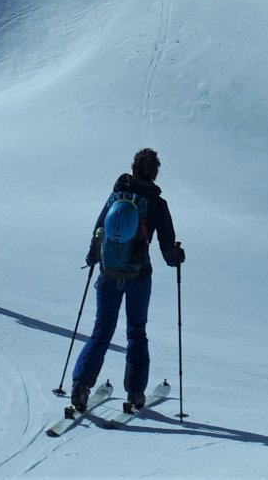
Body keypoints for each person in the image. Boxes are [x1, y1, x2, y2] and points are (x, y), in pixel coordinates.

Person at [70, 148, 184, 411]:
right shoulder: (157, 204)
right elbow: (168, 250)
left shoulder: (116, 195)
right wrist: (177, 257)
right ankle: (135, 392)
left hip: (109, 273)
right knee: (136, 332)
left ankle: (80, 384)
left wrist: (93, 257)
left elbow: (99, 230)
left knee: (101, 331)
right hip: (138, 276)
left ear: (133, 168)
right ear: (154, 173)